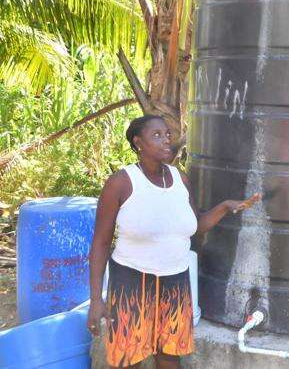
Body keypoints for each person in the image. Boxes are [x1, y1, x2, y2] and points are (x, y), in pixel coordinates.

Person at [87, 114, 261, 368]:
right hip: (132, 282)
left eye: (167, 134)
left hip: (176, 282)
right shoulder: (121, 183)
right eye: (156, 135)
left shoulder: (180, 180)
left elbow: (195, 226)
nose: (166, 140)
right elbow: (101, 243)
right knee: (128, 357)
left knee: (169, 356)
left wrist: (225, 207)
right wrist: (95, 300)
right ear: (138, 143)